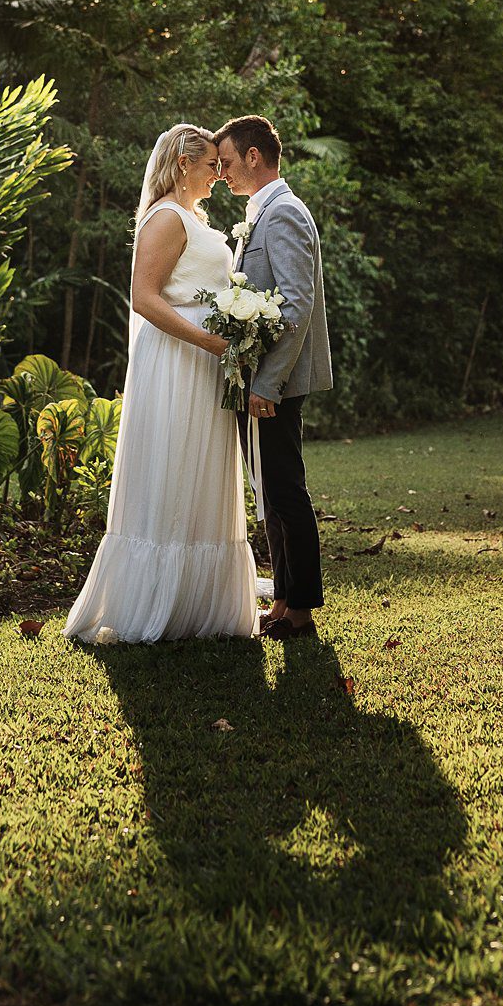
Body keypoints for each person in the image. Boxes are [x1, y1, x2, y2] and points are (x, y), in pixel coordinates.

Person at [63, 125, 262, 643]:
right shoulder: (167, 218)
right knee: (173, 464)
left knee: (199, 470)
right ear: (182, 166)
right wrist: (213, 343)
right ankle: (156, 601)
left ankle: (200, 603)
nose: (219, 175)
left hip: (201, 360)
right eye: (210, 166)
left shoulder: (193, 218)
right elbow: (145, 298)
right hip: (178, 361)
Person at [216, 114, 333, 640]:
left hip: (273, 384)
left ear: (254, 157)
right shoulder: (260, 212)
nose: (221, 174)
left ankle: (302, 611)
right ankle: (283, 600)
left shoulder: (283, 213)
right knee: (269, 490)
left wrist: (267, 383)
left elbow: (296, 303)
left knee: (285, 490)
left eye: (226, 163)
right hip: (258, 380)